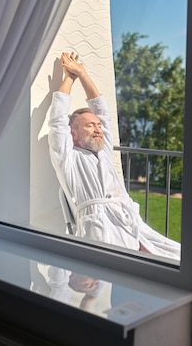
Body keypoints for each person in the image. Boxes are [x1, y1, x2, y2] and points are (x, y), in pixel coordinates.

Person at [48, 51, 180, 260]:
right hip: (101, 228)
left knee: (177, 256)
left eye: (98, 126)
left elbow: (103, 113)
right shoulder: (69, 158)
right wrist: (70, 78)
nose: (98, 129)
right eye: (90, 125)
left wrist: (83, 73)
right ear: (72, 133)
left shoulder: (103, 152)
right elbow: (57, 122)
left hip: (130, 221)